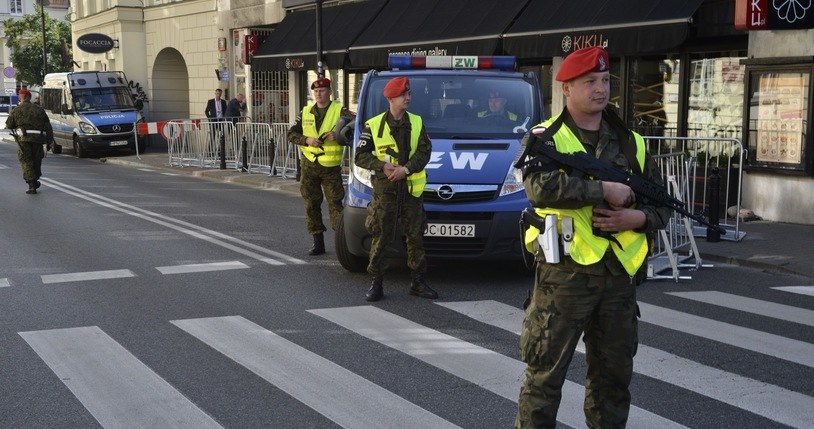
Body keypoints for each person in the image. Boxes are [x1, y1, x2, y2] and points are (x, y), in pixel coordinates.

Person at [514, 46, 672, 428]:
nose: (600, 89)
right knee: (544, 380)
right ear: (566, 88)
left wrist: (635, 216)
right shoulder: (545, 138)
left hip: (618, 279)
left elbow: (663, 205)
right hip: (563, 280)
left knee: (612, 382)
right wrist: (602, 190)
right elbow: (538, 187)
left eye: (605, 81)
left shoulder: (631, 142)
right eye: (590, 82)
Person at [354, 76, 437, 302]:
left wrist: (406, 169)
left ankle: (418, 283)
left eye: (409, 94)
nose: (408, 98)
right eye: (404, 95)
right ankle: (376, 283)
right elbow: (360, 156)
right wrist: (382, 165)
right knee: (380, 238)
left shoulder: (417, 123)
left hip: (410, 192)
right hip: (386, 193)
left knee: (415, 238)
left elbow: (424, 152)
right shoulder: (373, 125)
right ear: (391, 98)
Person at [287, 77, 351, 256]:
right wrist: (306, 140)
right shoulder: (306, 111)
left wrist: (338, 135)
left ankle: (343, 244)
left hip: (330, 167)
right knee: (311, 204)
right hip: (309, 164)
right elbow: (291, 133)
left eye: (322, 90)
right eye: (315, 91)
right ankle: (318, 242)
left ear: (330, 92)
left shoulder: (340, 111)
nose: (318, 94)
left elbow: (356, 130)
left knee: (335, 205)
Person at [5, 88, 54, 195]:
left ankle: (32, 185)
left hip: (24, 140)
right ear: (29, 97)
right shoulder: (39, 109)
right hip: (38, 139)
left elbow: (9, 124)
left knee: (26, 160)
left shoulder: (16, 110)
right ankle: (35, 180)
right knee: (36, 160)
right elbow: (48, 127)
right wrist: (50, 141)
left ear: (21, 97)